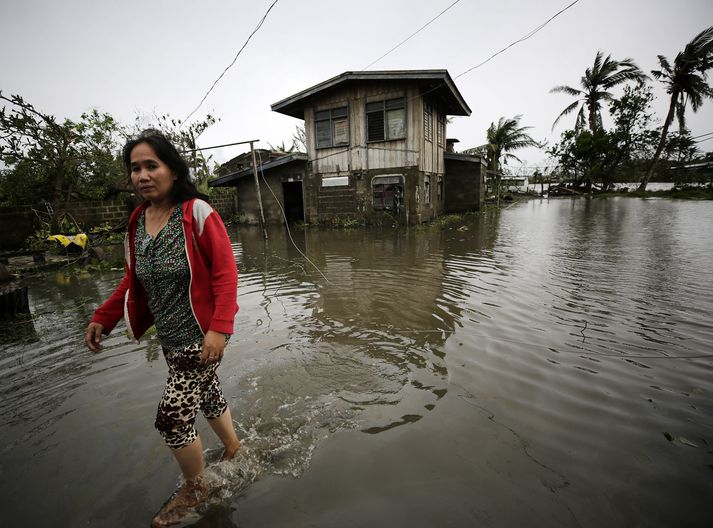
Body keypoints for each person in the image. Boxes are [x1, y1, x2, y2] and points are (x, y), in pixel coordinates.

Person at [84, 130, 240, 527]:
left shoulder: (197, 212)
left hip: (200, 335)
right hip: (170, 340)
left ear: (172, 168)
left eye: (151, 165)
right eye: (135, 168)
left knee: (171, 419)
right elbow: (131, 279)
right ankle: (234, 447)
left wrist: (220, 328)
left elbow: (226, 273)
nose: (142, 175)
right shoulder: (137, 221)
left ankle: (196, 487)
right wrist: (104, 316)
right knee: (205, 393)